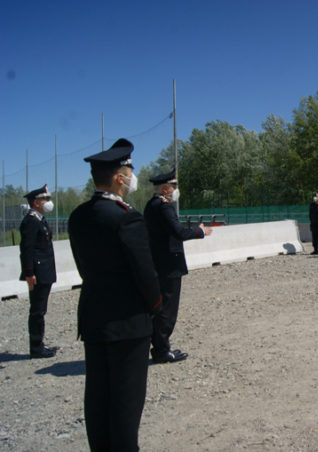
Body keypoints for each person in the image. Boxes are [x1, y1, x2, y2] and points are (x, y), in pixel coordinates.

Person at [68, 138, 162, 451]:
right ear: (120, 178)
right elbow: (145, 273)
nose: (133, 176)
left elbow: (85, 267)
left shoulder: (78, 216)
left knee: (98, 398)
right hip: (129, 322)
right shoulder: (126, 217)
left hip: (94, 318)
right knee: (125, 403)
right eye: (130, 170)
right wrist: (155, 304)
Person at [144, 168, 212, 364]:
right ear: (165, 188)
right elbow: (179, 232)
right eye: (174, 186)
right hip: (169, 264)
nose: (175, 189)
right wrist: (199, 231)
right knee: (168, 309)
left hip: (157, 262)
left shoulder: (150, 205)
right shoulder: (164, 208)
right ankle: (162, 350)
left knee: (159, 306)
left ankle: (159, 345)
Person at [19, 184, 57, 358]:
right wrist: (29, 272)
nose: (48, 202)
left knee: (41, 309)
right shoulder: (31, 221)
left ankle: (39, 344)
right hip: (38, 272)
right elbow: (27, 249)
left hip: (44, 271)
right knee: (37, 310)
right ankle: (36, 347)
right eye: (45, 199)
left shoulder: (39, 219)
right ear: (36, 203)